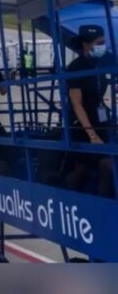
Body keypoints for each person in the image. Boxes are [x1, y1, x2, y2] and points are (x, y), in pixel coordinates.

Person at [65, 25, 114, 197]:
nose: (102, 46)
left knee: (107, 164)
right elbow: (76, 103)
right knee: (83, 168)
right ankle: (68, 196)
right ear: (86, 44)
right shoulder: (76, 67)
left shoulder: (102, 62)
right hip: (82, 124)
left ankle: (103, 199)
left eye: (103, 42)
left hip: (101, 119)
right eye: (99, 43)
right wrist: (92, 135)